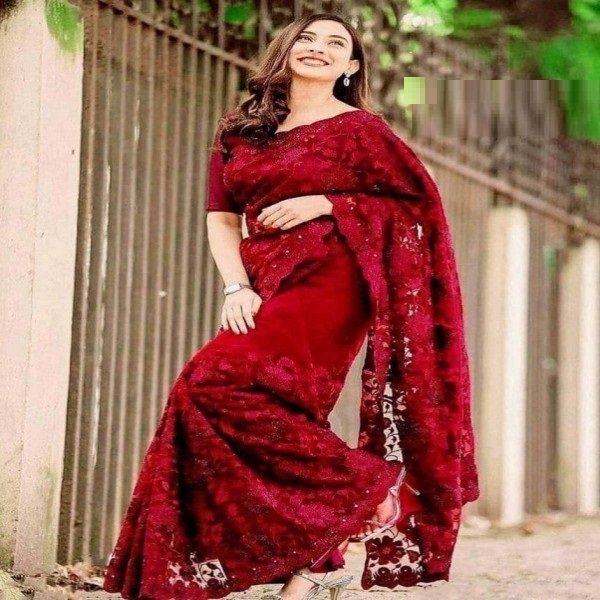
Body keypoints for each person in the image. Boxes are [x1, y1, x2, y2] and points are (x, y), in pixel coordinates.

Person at [102, 12, 480, 600]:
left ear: (350, 66)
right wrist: (236, 286)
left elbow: (417, 209)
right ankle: (314, 564)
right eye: (307, 38)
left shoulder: (362, 131)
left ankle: (367, 488)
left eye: (336, 44)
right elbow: (221, 219)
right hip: (264, 279)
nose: (318, 48)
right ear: (286, 48)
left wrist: (329, 203)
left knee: (211, 383)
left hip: (332, 283)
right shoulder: (240, 131)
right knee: (272, 409)